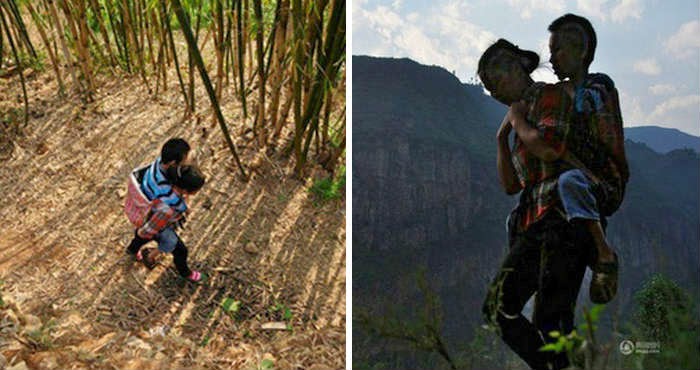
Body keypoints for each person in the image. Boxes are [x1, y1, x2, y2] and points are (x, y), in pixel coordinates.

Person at [479, 39, 592, 370]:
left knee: (543, 318)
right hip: (534, 221)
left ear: (516, 69)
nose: (493, 93)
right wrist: (502, 139)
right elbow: (511, 185)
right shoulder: (520, 117)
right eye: (488, 88)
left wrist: (516, 122)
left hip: (560, 217)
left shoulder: (549, 96)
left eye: (495, 82)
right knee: (521, 315)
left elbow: (549, 150)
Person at [547, 13, 629, 304]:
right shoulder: (562, 91)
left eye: (557, 50)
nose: (552, 59)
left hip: (604, 180)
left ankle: (603, 256)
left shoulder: (599, 85)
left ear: (581, 52)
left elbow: (583, 109)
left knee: (569, 182)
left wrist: (559, 96)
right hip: (580, 176)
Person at [126, 164, 206, 283]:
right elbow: (150, 228)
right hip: (158, 225)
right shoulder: (169, 208)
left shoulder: (166, 182)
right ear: (186, 190)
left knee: (140, 238)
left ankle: (132, 250)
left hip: (147, 214)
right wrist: (142, 232)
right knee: (180, 250)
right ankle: (185, 273)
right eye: (197, 190)